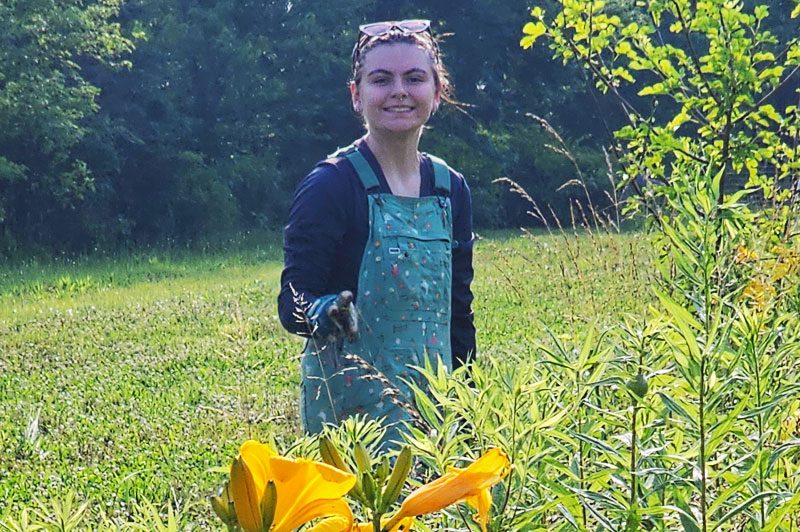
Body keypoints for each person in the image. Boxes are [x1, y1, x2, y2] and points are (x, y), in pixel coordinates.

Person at [277, 19, 475, 442]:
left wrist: (470, 406)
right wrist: (325, 311)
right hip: (352, 418)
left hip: (433, 411)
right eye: (381, 79)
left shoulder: (450, 190)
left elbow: (458, 312)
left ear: (437, 92)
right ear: (357, 95)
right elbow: (291, 302)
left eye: (415, 78)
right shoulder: (330, 185)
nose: (399, 91)